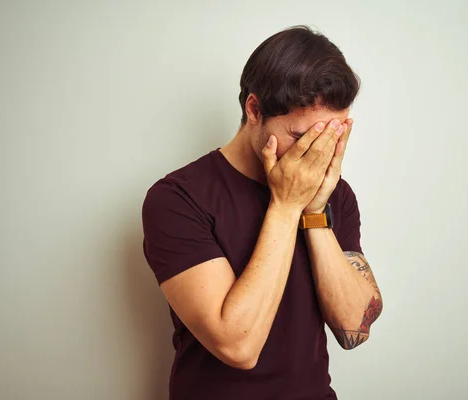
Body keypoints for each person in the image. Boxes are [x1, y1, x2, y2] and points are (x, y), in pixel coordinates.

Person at [142, 25, 383, 400]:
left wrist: (315, 211)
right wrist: (286, 206)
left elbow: (356, 327)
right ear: (254, 110)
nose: (317, 152)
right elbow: (237, 346)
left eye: (332, 136)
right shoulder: (177, 199)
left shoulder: (335, 193)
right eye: (302, 137)